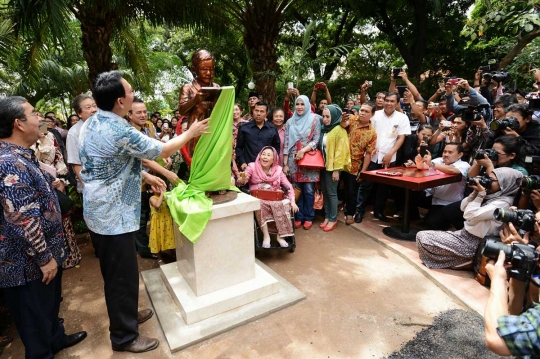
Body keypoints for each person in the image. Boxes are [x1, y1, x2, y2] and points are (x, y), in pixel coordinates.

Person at [79, 70, 210, 353]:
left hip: (101, 211)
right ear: (119, 101)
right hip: (113, 217)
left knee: (120, 273)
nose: (132, 93)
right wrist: (190, 132)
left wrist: (146, 177)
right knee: (120, 277)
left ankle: (127, 315)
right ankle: (124, 337)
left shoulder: (94, 121)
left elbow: (110, 165)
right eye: (129, 90)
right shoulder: (118, 129)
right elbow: (161, 151)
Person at [0, 96, 87, 357]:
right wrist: (44, 257)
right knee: (35, 321)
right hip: (27, 266)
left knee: (49, 308)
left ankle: (55, 338)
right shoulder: (7, 163)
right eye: (34, 113)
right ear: (18, 123)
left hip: (42, 260)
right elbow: (22, 220)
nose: (41, 119)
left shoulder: (22, 156)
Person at [416, 167, 523, 270]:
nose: (487, 181)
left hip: (474, 243)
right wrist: (475, 194)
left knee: (423, 238)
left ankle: (468, 259)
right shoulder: (493, 195)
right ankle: (462, 260)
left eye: (492, 180)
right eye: (487, 178)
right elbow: (463, 207)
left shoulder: (503, 203)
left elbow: (469, 215)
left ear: (505, 183)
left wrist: (480, 195)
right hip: (464, 234)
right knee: (423, 236)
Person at [360, 92, 411, 221]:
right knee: (366, 185)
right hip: (371, 156)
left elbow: (401, 137)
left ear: (397, 103)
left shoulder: (402, 118)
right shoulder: (375, 115)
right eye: (387, 100)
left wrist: (390, 153)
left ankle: (378, 211)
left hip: (389, 158)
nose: (388, 103)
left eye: (392, 101)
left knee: (384, 188)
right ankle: (359, 210)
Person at [238, 146, 298, 248]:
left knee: (285, 203)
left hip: (275, 196)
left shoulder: (278, 170)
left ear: (274, 159)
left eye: (268, 155)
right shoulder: (252, 167)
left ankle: (281, 236)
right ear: (259, 156)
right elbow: (242, 181)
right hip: (259, 197)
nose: (265, 157)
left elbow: (289, 186)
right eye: (263, 154)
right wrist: (242, 178)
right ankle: (266, 236)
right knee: (260, 204)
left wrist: (293, 201)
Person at [411, 143, 471, 229]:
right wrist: (419, 162)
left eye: (450, 152)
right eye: (445, 151)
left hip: (448, 203)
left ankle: (449, 220)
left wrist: (431, 164)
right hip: (432, 197)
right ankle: (412, 216)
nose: (446, 154)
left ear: (460, 155)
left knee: (431, 223)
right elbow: (424, 167)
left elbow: (453, 171)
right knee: (409, 191)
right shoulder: (439, 160)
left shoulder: (464, 165)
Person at [283, 95, 321, 230]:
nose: (299, 107)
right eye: (297, 104)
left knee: (309, 190)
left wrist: (303, 151)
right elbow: (286, 143)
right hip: (293, 161)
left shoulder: (315, 119)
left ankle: (309, 217)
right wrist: (285, 163)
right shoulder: (290, 122)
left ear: (307, 105)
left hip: (309, 160)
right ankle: (298, 216)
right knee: (296, 189)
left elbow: (316, 139)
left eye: (302, 104)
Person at [178, 49, 220, 157]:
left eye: (211, 69)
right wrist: (195, 101)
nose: (208, 73)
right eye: (204, 69)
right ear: (194, 70)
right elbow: (182, 110)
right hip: (196, 134)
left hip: (215, 133)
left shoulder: (217, 87)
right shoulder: (188, 88)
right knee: (198, 163)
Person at [341, 102, 377, 224]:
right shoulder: (352, 119)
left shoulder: (372, 133)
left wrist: (363, 171)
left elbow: (368, 153)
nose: (362, 113)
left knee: (352, 191)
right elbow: (343, 125)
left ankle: (350, 213)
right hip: (339, 160)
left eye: (366, 111)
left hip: (355, 165)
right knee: (335, 188)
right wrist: (342, 120)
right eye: (362, 110)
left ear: (372, 114)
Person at [318, 104, 351, 232]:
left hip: (333, 168)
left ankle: (333, 219)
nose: (325, 119)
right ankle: (327, 216)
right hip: (323, 166)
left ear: (335, 116)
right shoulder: (324, 129)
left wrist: (336, 170)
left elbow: (341, 151)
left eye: (328, 116)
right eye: (324, 116)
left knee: (332, 193)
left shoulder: (339, 130)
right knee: (325, 192)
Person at [236, 101, 280, 170]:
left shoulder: (272, 129)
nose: (258, 114)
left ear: (266, 114)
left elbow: (276, 147)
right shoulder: (244, 128)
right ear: (253, 111)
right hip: (248, 167)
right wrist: (242, 162)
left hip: (266, 168)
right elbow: (239, 148)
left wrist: (272, 161)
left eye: (262, 111)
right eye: (256, 111)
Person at [149, 188, 175, 264]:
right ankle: (160, 258)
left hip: (167, 221)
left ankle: (173, 254)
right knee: (157, 239)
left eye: (159, 186)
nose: (158, 187)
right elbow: (157, 204)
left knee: (170, 237)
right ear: (151, 190)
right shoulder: (152, 198)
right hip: (157, 222)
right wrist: (162, 194)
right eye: (154, 186)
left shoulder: (166, 196)